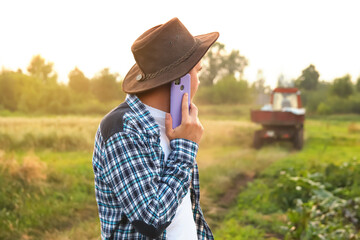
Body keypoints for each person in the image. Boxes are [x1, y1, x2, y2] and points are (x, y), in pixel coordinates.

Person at [92, 17, 219, 240]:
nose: (199, 80)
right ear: (182, 79)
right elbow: (151, 220)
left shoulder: (177, 124)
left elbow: (183, 212)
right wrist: (185, 149)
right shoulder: (123, 129)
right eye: (198, 71)